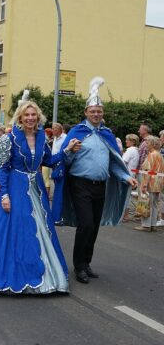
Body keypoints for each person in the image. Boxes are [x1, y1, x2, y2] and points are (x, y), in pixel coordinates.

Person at [0, 92, 80, 295]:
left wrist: (67, 150)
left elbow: (48, 161)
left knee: (40, 231)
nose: (30, 118)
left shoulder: (42, 138)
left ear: (38, 117)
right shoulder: (8, 138)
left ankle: (44, 275)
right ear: (20, 117)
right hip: (15, 187)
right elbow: (2, 168)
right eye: (26, 115)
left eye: (33, 115)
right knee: (15, 231)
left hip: (36, 190)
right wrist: (4, 194)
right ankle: (12, 273)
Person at [54, 77, 137, 284]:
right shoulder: (77, 132)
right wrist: (70, 151)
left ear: (103, 113)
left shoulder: (107, 134)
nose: (96, 114)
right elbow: (66, 159)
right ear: (86, 113)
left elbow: (114, 163)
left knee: (94, 226)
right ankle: (79, 266)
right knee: (86, 224)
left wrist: (126, 177)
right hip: (80, 184)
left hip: (100, 186)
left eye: (99, 111)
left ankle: (86, 262)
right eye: (93, 111)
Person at [134, 136, 164, 232]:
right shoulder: (159, 155)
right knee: (154, 205)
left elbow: (148, 171)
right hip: (158, 184)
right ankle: (153, 225)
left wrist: (145, 185)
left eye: (147, 143)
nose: (146, 145)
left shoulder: (151, 155)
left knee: (147, 203)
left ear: (152, 144)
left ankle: (146, 225)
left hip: (150, 183)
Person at [121, 134, 140, 222]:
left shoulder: (130, 150)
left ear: (132, 141)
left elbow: (123, 162)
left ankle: (123, 216)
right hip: (131, 175)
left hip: (126, 176)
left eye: (127, 140)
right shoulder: (136, 150)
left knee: (124, 196)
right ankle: (125, 216)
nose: (126, 141)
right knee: (127, 196)